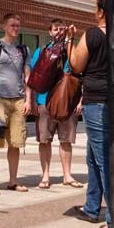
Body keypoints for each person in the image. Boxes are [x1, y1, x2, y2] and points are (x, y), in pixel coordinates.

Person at [67, 0, 114, 228]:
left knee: (103, 161)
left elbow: (76, 65)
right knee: (93, 158)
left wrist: (69, 40)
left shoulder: (92, 35)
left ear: (101, 11)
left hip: (96, 102)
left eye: (95, 8)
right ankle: (92, 208)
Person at [0, 13, 32, 194]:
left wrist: (28, 99)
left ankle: (13, 181)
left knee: (16, 142)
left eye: (18, 25)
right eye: (12, 25)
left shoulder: (23, 49)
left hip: (18, 100)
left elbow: (27, 77)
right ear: (4, 26)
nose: (15, 28)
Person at [30, 19, 82, 190]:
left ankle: (67, 175)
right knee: (44, 140)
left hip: (66, 102)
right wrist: (31, 100)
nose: (59, 32)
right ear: (50, 32)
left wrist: (80, 100)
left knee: (66, 141)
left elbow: (80, 74)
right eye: (55, 29)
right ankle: (45, 175)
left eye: (61, 29)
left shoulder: (71, 49)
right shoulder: (42, 51)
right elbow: (33, 76)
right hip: (44, 101)